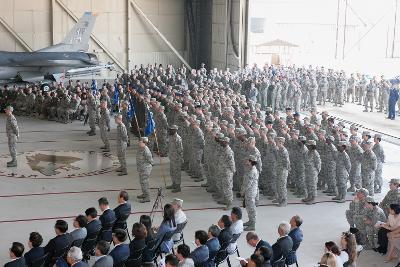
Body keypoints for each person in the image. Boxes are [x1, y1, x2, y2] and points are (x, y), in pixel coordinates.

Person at [241, 155, 260, 231]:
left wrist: (242, 192)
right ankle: (250, 221)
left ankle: (253, 225)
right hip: (249, 192)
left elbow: (248, 184)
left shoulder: (252, 171)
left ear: (250, 161)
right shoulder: (250, 169)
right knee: (249, 208)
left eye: (247, 160)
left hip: (250, 192)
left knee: (251, 208)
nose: (246, 161)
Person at [166, 125, 184, 192]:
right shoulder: (171, 136)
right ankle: (174, 184)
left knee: (177, 173)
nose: (170, 130)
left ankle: (178, 187)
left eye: (172, 129)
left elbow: (180, 150)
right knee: (172, 172)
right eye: (170, 129)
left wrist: (181, 158)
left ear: (175, 130)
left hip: (177, 158)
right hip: (172, 157)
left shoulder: (178, 138)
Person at [137, 137, 154, 203]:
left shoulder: (146, 150)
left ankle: (147, 197)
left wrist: (149, 166)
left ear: (144, 143)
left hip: (145, 168)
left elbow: (150, 159)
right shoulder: (140, 148)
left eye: (140, 142)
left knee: (145, 183)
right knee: (142, 182)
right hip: (141, 168)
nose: (139, 142)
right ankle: (144, 194)